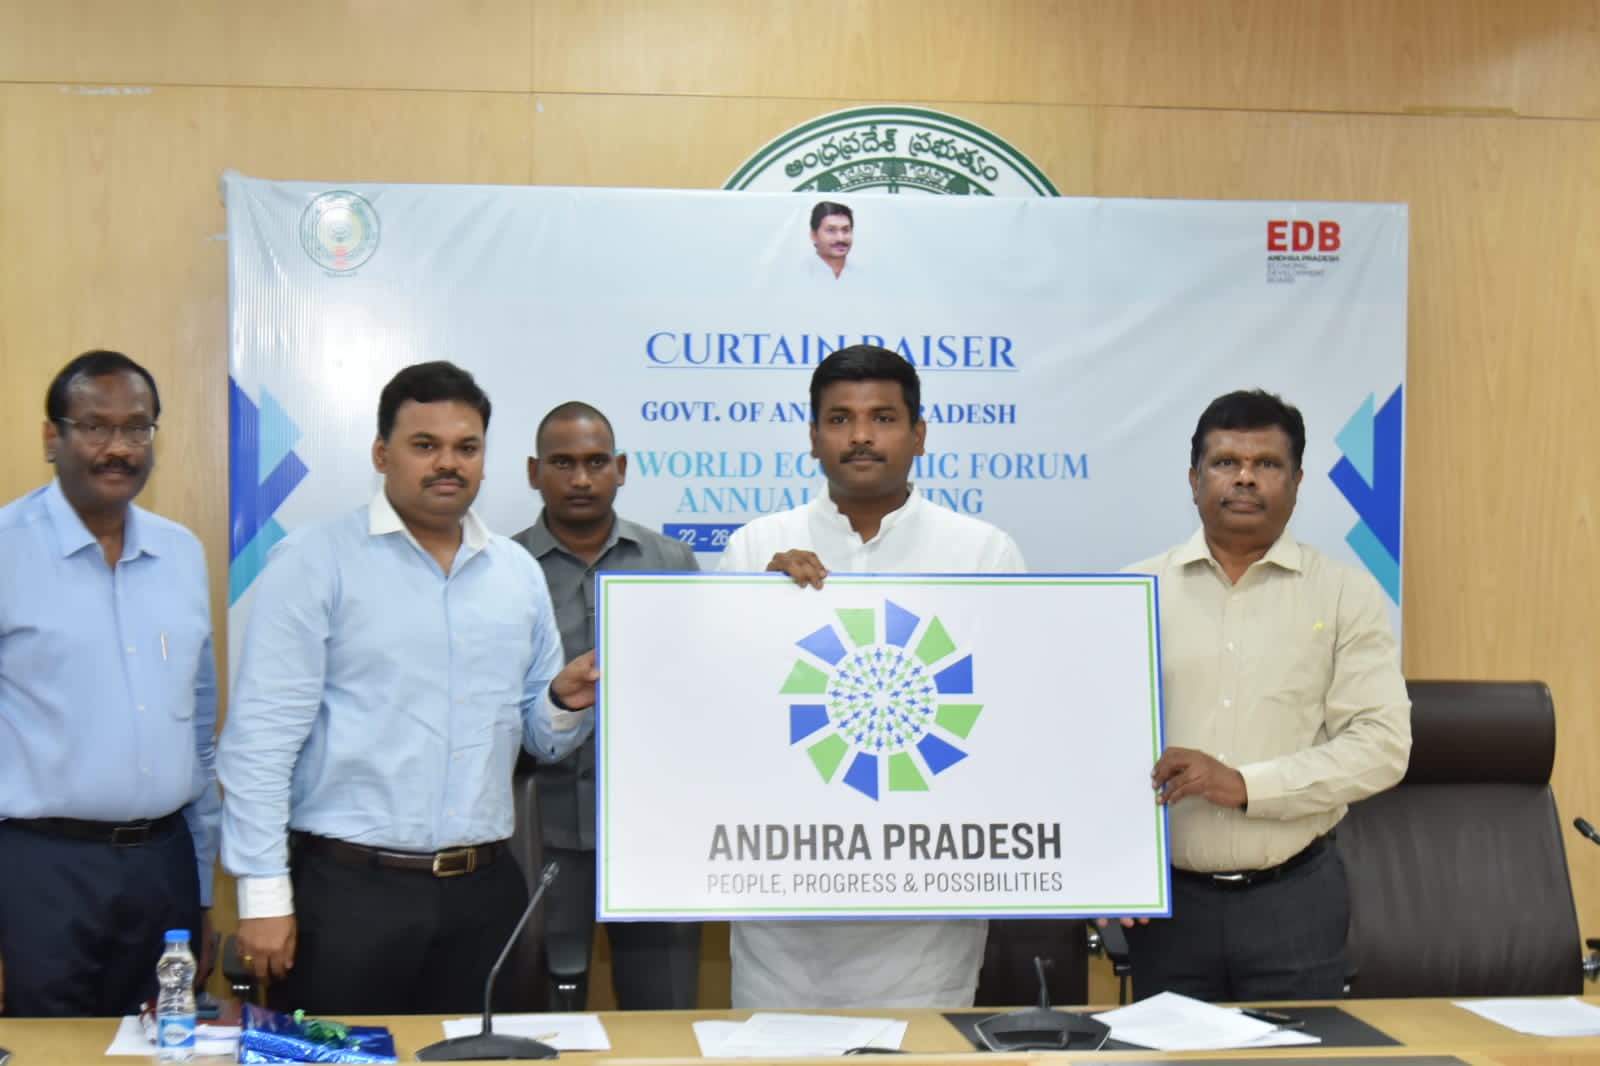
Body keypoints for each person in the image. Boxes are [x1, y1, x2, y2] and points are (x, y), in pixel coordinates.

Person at [219, 361, 600, 1015]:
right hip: (348, 894)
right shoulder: (314, 562)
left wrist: (563, 702)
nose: (448, 463)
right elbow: (260, 743)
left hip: (486, 893)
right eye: (425, 445)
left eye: (466, 447)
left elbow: (540, 738)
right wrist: (262, 895)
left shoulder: (516, 573)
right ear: (381, 454)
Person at [718, 344, 1025, 1008]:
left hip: (927, 913)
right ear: (813, 437)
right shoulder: (754, 548)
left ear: (919, 434)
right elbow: (723, 715)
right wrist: (755, 611)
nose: (860, 436)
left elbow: (1010, 717)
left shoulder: (982, 553)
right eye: (840, 419)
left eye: (883, 418)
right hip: (782, 906)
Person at [1121, 388, 1411, 1002]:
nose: (1245, 478)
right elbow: (1089, 743)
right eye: (1226, 462)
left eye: (1267, 464)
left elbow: (1383, 746)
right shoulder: (1131, 592)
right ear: (1194, 479)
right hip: (1167, 908)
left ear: (1297, 481)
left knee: (1300, 1049)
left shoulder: (1345, 595)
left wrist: (1246, 785)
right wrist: (1106, 870)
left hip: (1295, 899)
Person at [0, 350, 219, 1017]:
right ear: (53, 437)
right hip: (40, 872)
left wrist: (201, 890)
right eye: (96, 427)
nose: (118, 447)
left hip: (163, 868)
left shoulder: (181, 553)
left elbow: (199, 735)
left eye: (137, 428)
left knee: (163, 1049)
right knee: (46, 1052)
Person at [511, 401, 702, 1010]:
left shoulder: (672, 562)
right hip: (540, 831)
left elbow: (704, 691)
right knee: (545, 1014)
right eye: (562, 463)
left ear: (621, 468)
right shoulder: (503, 568)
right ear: (534, 472)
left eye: (596, 462)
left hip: (655, 832)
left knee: (665, 1013)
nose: (581, 479)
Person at [808, 200, 856, 281]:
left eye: (845, 230)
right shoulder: (800, 274)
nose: (840, 238)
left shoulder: (862, 275)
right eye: (831, 230)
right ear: (814, 236)